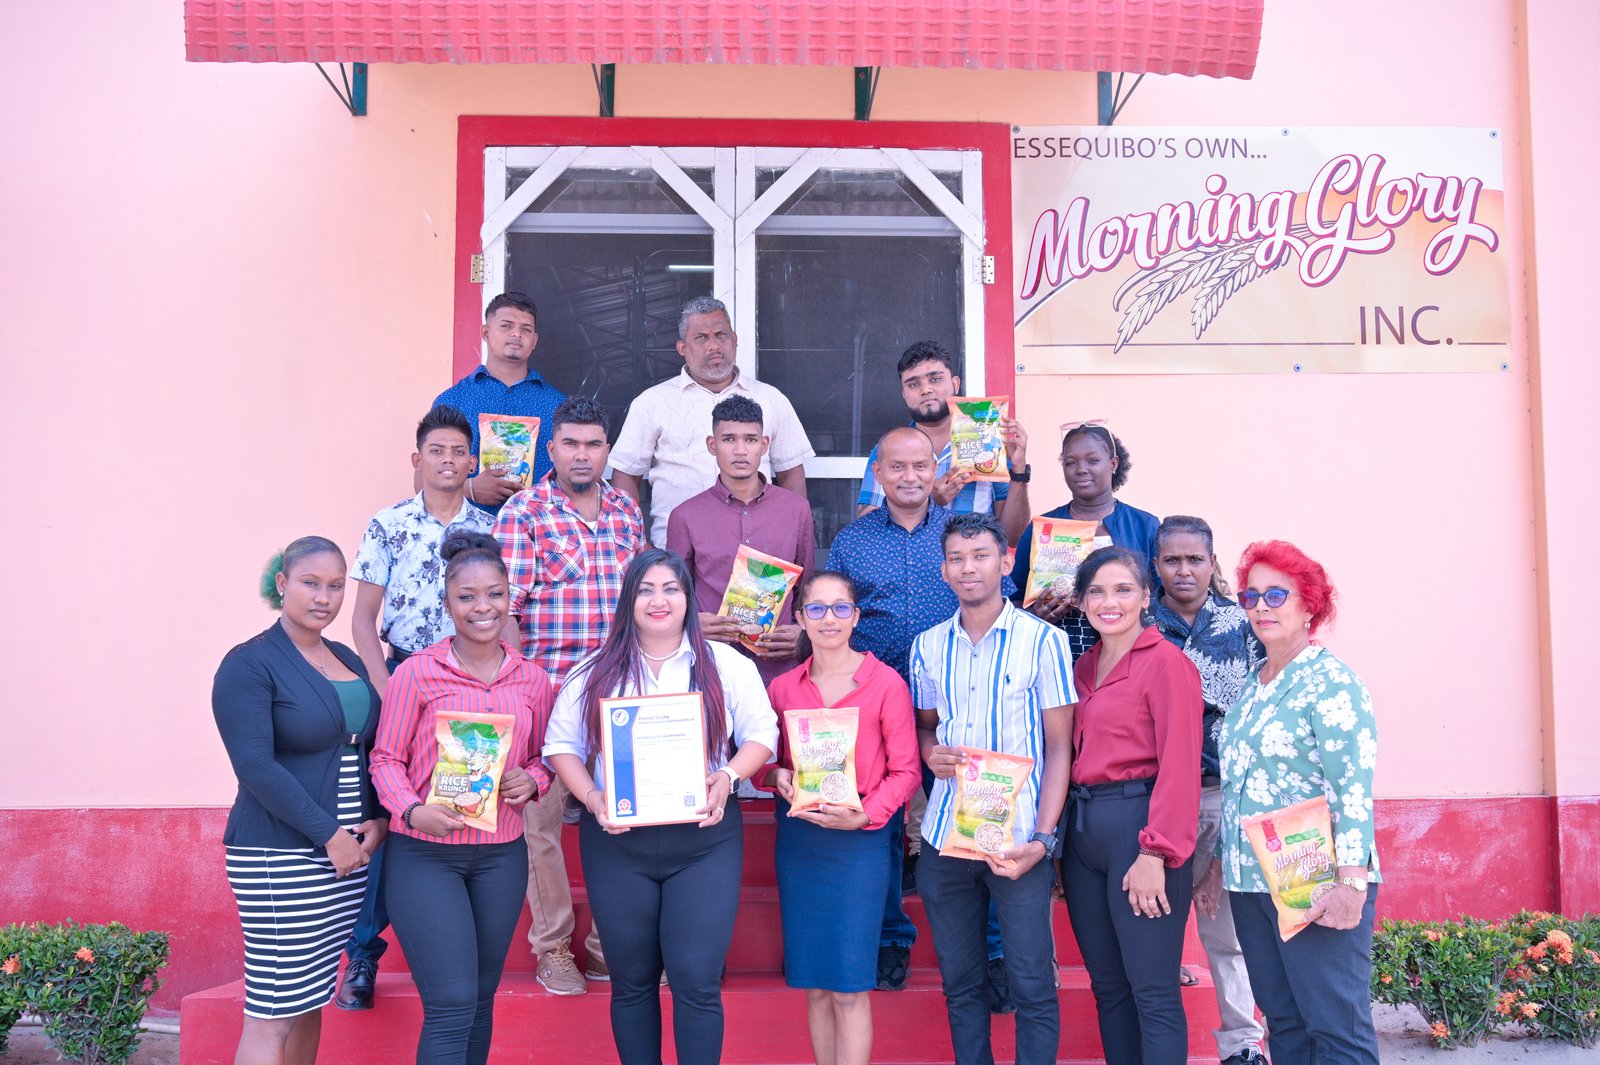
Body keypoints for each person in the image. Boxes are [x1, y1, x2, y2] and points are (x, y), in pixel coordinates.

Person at [544, 549, 779, 1065]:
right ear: (628, 599)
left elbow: (764, 731)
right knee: (631, 981)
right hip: (617, 842)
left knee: (696, 980)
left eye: (671, 588)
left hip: (704, 841)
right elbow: (561, 746)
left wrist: (729, 776)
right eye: (646, 589)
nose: (659, 600)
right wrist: (592, 797)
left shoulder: (725, 664)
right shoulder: (595, 671)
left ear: (688, 598)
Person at [370, 530, 555, 1064]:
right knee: (450, 1004)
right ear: (447, 602)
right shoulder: (416, 673)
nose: (483, 607)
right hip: (426, 856)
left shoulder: (532, 679)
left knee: (478, 999)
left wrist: (533, 781)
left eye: (495, 593)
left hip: (500, 856)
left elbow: (545, 757)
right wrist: (412, 811)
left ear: (510, 597)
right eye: (467, 596)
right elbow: (385, 758)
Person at [334, 405, 494, 1011]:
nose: (447, 461)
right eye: (436, 451)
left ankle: (457, 962)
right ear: (417, 459)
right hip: (402, 676)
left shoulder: (491, 527)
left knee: (461, 805)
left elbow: (501, 611)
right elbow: (362, 619)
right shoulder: (388, 525)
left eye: (458, 452)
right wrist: (387, 689)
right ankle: (363, 955)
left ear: (472, 461)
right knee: (389, 815)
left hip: (468, 683)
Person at [1201, 541, 1381, 1065]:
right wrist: (1218, 867)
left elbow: (1351, 790)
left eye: (1276, 595)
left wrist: (1351, 885)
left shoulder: (1332, 683)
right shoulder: (1253, 686)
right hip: (1251, 882)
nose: (1260, 606)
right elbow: (1240, 789)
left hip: (1314, 878)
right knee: (1283, 1022)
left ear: (1309, 606)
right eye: (1251, 595)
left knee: (1336, 1027)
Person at [213, 536, 386, 1065]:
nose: (324, 597)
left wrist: (377, 819)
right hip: (280, 856)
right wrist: (329, 834)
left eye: (336, 586)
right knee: (273, 1012)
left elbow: (366, 749)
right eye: (311, 583)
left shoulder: (345, 657)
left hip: (346, 858)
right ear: (282, 583)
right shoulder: (249, 664)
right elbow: (255, 766)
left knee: (309, 1000)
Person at [493, 395, 645, 994]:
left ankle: (611, 947)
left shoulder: (626, 510)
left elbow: (643, 603)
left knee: (626, 819)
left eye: (594, 444)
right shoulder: (524, 511)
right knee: (541, 826)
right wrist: (514, 690)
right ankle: (553, 946)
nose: (583, 455)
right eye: (571, 444)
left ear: (607, 450)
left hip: (619, 693)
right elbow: (507, 611)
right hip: (548, 696)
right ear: (551, 449)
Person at [913, 512, 1075, 1065]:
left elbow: (1060, 748)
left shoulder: (1045, 641)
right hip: (946, 840)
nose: (968, 568)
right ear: (943, 569)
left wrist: (1043, 840)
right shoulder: (927, 646)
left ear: (1006, 563)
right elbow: (926, 728)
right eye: (956, 558)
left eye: (980, 555)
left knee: (1032, 983)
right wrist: (930, 752)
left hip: (1019, 840)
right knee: (961, 985)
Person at [758, 571, 921, 1065]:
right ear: (800, 618)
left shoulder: (885, 684)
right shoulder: (783, 688)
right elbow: (765, 760)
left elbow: (907, 771)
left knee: (849, 989)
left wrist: (867, 816)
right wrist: (775, 775)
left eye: (840, 608)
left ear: (856, 616)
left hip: (859, 845)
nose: (829, 619)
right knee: (814, 986)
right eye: (817, 609)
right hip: (802, 843)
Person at [1061, 545, 1203, 1065]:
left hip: (1139, 829)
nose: (1109, 602)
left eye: (1123, 589)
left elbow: (1181, 766)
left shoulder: (1167, 664)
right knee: (1109, 987)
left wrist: (1155, 853)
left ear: (1146, 596)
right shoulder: (1083, 666)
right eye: (1096, 591)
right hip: (1083, 832)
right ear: (1081, 602)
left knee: (1153, 992)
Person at [1151, 516, 1266, 1065]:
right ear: (1156, 565)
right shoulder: (1138, 623)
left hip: (1225, 794)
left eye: (1194, 559)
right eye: (1172, 560)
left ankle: (1242, 1044)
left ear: (1212, 563)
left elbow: (1263, 709)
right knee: (1154, 928)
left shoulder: (1243, 626)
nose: (1184, 570)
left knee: (1226, 933)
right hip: (1155, 799)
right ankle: (1156, 1043)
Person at [609, 296, 815, 546]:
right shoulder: (652, 403)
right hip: (675, 552)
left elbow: (791, 474)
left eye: (721, 335)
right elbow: (626, 477)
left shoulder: (771, 399)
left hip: (757, 555)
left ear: (735, 340)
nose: (714, 346)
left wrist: (791, 539)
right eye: (701, 338)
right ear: (682, 348)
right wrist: (640, 545)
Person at [667, 394, 816, 686]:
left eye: (750, 439)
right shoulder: (686, 516)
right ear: (712, 445)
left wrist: (804, 632)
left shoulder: (796, 509)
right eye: (728, 439)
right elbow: (674, 595)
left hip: (780, 666)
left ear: (764, 444)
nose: (740, 450)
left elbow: (808, 587)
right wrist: (690, 624)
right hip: (712, 664)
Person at [855, 340, 1033, 546]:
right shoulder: (889, 450)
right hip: (911, 563)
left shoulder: (989, 444)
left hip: (974, 563)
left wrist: (1019, 469)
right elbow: (865, 530)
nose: (925, 390)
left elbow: (1013, 537)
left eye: (935, 379)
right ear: (904, 394)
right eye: (913, 384)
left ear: (955, 384)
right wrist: (926, 501)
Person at [1010, 420, 1160, 662]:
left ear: (1113, 463)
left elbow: (1162, 595)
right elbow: (1014, 597)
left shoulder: (1145, 525)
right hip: (1058, 656)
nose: (1081, 469)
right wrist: (1034, 616)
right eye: (1071, 462)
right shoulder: (1042, 528)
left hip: (1132, 655)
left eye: (1093, 460)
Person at [433, 291, 568, 517]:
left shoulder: (558, 406)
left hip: (538, 530)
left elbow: (575, 477)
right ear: (486, 333)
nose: (516, 334)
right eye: (506, 326)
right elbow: (423, 481)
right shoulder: (453, 401)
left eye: (526, 329)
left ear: (534, 340)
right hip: (467, 532)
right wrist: (469, 488)